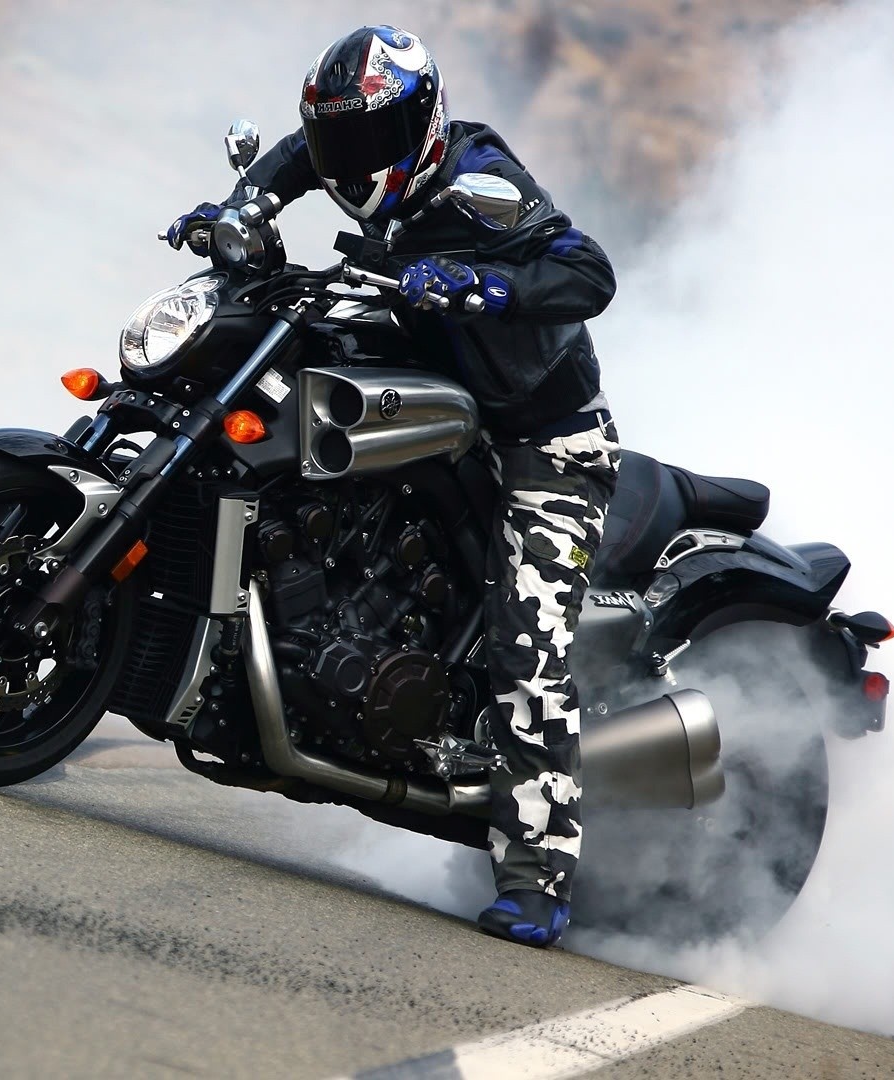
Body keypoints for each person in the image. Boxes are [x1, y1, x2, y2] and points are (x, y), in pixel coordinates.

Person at [166, 24, 619, 949]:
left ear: (423, 122)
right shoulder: (346, 150)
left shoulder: (483, 183)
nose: (351, 155)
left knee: (527, 646)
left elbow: (588, 271)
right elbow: (298, 157)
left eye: (371, 135)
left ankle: (538, 876)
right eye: (341, 135)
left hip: (543, 444)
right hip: (444, 403)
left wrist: (483, 285)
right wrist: (244, 205)